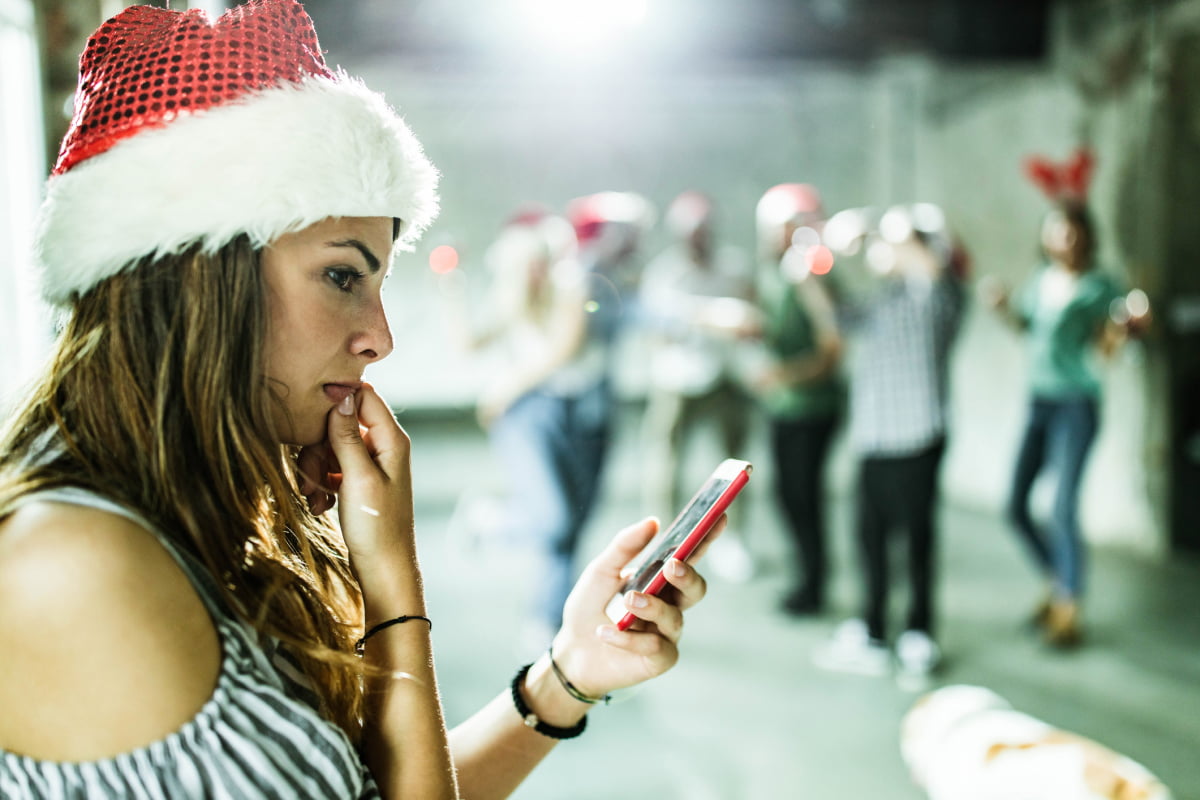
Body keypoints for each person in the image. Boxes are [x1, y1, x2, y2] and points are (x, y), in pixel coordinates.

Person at [0, 3, 717, 798]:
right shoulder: (72, 564)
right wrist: (390, 575)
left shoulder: (176, 509)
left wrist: (566, 675)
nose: (380, 337)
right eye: (343, 275)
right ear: (201, 274)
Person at [983, 150, 1148, 647]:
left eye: (1073, 233)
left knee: (1062, 508)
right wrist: (1003, 309)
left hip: (1077, 403)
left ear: (1086, 237)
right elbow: (1029, 329)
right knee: (1015, 505)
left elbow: (1108, 347)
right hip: (1040, 401)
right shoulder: (1040, 282)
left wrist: (1127, 329)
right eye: (1057, 231)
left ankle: (1069, 607)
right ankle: (1060, 582)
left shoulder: (1101, 286)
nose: (1065, 240)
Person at [438, 209, 612, 652]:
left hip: (580, 415)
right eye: (525, 265)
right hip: (529, 416)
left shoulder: (571, 286)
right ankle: (489, 522)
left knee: (572, 527)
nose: (535, 271)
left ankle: (548, 617)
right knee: (555, 520)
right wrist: (452, 287)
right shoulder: (510, 298)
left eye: (539, 261)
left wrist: (506, 385)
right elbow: (467, 344)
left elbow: (564, 348)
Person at [813, 203, 966, 684]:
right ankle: (874, 629)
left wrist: (880, 231)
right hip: (875, 438)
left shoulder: (937, 296)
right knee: (870, 540)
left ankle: (919, 632)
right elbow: (836, 316)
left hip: (916, 437)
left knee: (916, 541)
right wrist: (816, 262)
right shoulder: (886, 299)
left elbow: (933, 268)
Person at [637, 190, 759, 582]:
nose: (698, 237)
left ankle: (732, 539)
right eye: (691, 231)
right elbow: (655, 331)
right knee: (666, 463)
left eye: (703, 230)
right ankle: (663, 543)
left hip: (724, 375)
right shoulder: (665, 274)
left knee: (732, 463)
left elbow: (753, 314)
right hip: (676, 379)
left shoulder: (732, 267)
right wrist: (705, 318)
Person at [748, 183, 844, 614]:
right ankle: (807, 577)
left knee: (803, 497)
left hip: (812, 406)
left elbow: (832, 347)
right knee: (788, 496)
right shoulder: (779, 271)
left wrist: (783, 374)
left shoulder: (810, 269)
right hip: (785, 404)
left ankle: (813, 584)